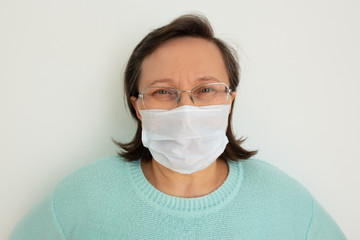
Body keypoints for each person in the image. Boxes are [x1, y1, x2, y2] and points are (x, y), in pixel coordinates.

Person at [10, 14, 346, 240]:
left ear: (229, 100)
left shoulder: (285, 204)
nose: (186, 109)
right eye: (163, 92)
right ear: (137, 105)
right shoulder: (82, 197)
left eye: (205, 90)